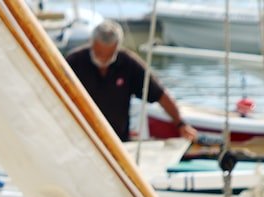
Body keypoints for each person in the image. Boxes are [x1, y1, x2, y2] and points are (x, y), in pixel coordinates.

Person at [65, 19, 198, 142]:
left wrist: (180, 123)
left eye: (108, 55)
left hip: (117, 140)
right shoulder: (74, 62)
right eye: (99, 53)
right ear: (92, 43)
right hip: (79, 137)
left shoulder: (128, 64)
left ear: (117, 47)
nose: (103, 59)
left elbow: (160, 94)